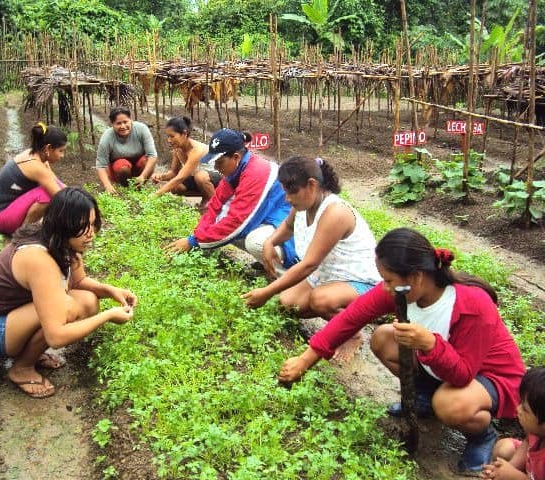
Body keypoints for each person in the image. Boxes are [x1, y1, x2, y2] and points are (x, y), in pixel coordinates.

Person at [278, 227, 525, 474]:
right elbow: (352, 317)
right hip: (443, 367)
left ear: (416, 277)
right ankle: (426, 398)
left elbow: (463, 374)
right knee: (383, 338)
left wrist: (431, 344)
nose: (384, 287)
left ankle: (482, 436)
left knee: (450, 404)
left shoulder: (472, 304)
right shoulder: (402, 292)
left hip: (488, 376)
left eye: (388, 280)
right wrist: (306, 358)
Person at [0, 187, 137, 399]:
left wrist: (111, 291)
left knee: (88, 301)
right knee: (67, 307)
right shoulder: (39, 259)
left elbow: (79, 281)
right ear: (64, 226)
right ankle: (22, 368)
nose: (91, 233)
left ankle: (28, 353)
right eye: (82, 227)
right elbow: (56, 336)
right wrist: (108, 316)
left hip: (10, 318)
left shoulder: (56, 238)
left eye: (92, 224)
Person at [241, 156, 381, 363]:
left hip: (360, 281)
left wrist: (266, 292)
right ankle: (339, 318)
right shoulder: (302, 205)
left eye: (292, 191)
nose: (287, 198)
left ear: (312, 185)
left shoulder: (335, 212)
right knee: (287, 305)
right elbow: (288, 227)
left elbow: (309, 265)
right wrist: (270, 242)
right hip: (327, 274)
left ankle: (352, 335)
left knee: (321, 301)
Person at [164, 128, 296, 269]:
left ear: (236, 157)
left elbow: (237, 221)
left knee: (256, 242)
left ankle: (290, 277)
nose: (216, 167)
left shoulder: (257, 173)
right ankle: (269, 262)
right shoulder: (235, 172)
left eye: (219, 162)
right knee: (219, 221)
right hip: (269, 218)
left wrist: (193, 242)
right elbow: (214, 206)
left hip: (292, 228)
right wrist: (196, 237)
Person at [0, 122, 67, 235]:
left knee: (53, 189)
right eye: (61, 151)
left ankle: (32, 228)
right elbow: (61, 197)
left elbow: (58, 184)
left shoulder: (37, 156)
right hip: (3, 217)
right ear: (48, 148)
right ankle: (24, 235)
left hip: (11, 211)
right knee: (46, 195)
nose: (62, 155)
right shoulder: (36, 166)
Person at [482, 367, 545, 480]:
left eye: (525, 409)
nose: (518, 409)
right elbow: (528, 443)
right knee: (504, 448)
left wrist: (515, 476)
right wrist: (511, 466)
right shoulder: (537, 432)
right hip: (532, 468)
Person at [151, 116, 221, 209]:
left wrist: (156, 194)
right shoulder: (177, 149)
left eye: (172, 136)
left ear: (184, 133)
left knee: (200, 176)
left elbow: (181, 177)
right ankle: (206, 198)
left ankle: (216, 205)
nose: (169, 140)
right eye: (168, 136)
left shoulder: (196, 150)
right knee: (176, 187)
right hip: (198, 179)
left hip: (217, 178)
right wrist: (161, 177)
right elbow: (174, 173)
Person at [96, 106, 158, 192]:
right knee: (122, 166)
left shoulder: (141, 129)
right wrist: (107, 185)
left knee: (146, 160)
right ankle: (126, 188)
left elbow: (152, 155)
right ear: (112, 124)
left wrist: (143, 176)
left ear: (131, 120)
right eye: (118, 123)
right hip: (118, 169)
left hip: (138, 166)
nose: (123, 126)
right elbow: (101, 165)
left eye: (125, 122)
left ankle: (139, 187)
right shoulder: (107, 137)